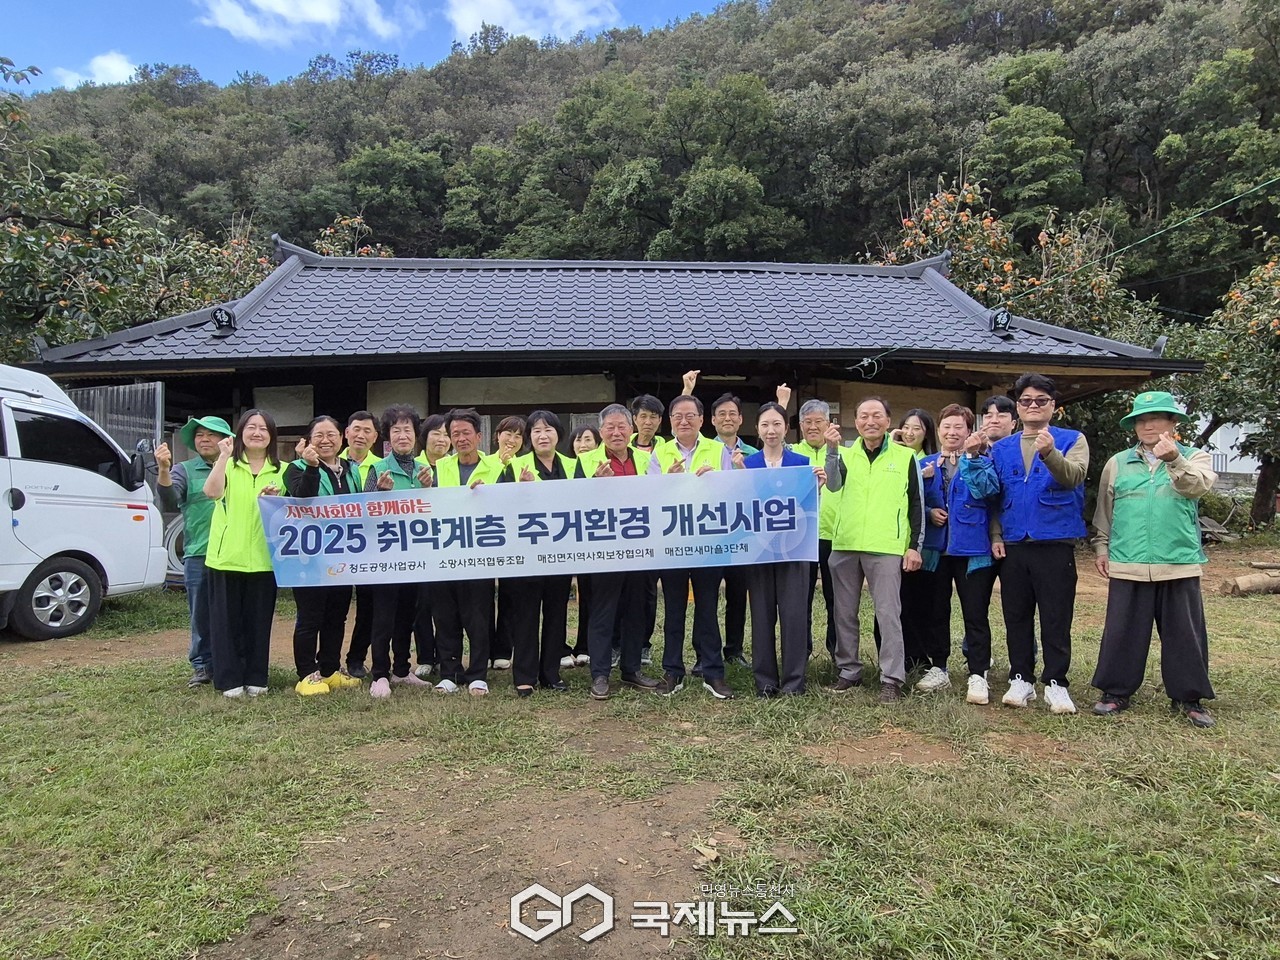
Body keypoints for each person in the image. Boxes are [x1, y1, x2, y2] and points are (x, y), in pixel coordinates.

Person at [961, 372, 1089, 715]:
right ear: (1018, 408)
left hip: (1054, 540)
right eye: (1027, 401)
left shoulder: (1071, 439)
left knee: (1056, 616)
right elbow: (995, 496)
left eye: (1041, 401)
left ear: (1053, 407)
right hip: (1014, 542)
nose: (1033, 406)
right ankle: (1021, 678)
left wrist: (1050, 454)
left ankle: (1057, 683)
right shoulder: (1001, 448)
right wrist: (996, 535)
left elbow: (1073, 476)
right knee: (1015, 614)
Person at [1091, 391, 1217, 728]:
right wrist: (1102, 547)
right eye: (1142, 420)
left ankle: (1188, 698)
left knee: (1184, 634)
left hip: (1177, 561)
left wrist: (1174, 459)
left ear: (1173, 423)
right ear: (1134, 426)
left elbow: (1197, 489)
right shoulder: (1118, 462)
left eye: (1157, 418)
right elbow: (1106, 511)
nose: (1148, 425)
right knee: (1122, 631)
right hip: (1127, 561)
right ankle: (1115, 692)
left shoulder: (1196, 457)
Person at [824, 397, 925, 703]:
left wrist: (913, 546)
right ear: (855, 423)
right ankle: (848, 671)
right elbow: (832, 485)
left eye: (876, 416)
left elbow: (917, 504)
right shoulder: (844, 453)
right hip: (845, 543)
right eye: (864, 416)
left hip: (885, 547)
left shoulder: (906, 457)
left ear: (887, 420)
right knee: (843, 613)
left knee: (888, 613)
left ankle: (891, 678)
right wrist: (830, 450)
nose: (870, 421)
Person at [648, 394, 736, 700]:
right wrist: (666, 483)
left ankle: (712, 671)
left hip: (708, 543)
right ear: (670, 422)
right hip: (672, 544)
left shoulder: (718, 449)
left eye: (689, 416)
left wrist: (716, 481)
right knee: (674, 609)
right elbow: (650, 499)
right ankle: (673, 671)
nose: (683, 421)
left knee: (708, 607)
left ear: (701, 420)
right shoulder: (660, 453)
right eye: (677, 417)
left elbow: (731, 492)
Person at [574, 404, 662, 699]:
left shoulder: (645, 458)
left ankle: (632, 668)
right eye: (609, 427)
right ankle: (600, 674)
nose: (616, 432)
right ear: (601, 432)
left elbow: (657, 496)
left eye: (621, 427)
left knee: (636, 608)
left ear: (632, 429)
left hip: (639, 546)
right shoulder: (586, 461)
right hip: (604, 549)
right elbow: (570, 503)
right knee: (603, 611)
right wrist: (594, 486)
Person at [916, 405, 999, 704]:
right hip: (936, 550)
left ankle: (978, 673)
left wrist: (974, 458)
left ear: (969, 431)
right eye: (946, 427)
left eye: (958, 428)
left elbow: (989, 492)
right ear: (938, 430)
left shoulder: (983, 460)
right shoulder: (925, 463)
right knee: (936, 611)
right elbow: (911, 503)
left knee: (975, 613)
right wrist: (928, 510)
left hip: (973, 549)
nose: (952, 433)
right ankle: (938, 666)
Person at [203, 409, 285, 698]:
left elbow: (290, 512)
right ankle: (229, 680)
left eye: (264, 428)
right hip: (226, 557)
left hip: (264, 559)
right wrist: (223, 456)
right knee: (226, 623)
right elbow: (211, 493)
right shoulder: (227, 464)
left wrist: (276, 501)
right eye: (251, 427)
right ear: (240, 433)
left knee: (258, 622)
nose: (257, 433)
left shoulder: (282, 470)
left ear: (271, 436)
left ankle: (256, 676)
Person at [743, 402, 823, 697]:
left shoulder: (801, 463)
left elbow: (809, 507)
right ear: (758, 430)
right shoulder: (747, 465)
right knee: (761, 616)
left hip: (795, 550)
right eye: (765, 424)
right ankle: (764, 681)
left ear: (785, 428)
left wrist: (818, 488)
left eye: (776, 424)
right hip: (759, 551)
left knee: (794, 615)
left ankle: (794, 682)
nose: (771, 430)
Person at [283, 416, 364, 696]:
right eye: (319, 435)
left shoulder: (351, 470)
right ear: (308, 440)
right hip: (308, 557)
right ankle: (306, 674)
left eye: (331, 434)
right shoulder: (294, 468)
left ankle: (329, 670)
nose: (326, 440)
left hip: (343, 557)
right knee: (309, 618)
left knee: (336, 616)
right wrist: (311, 466)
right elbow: (302, 497)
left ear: (341, 438)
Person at [499, 410, 577, 696]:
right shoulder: (514, 467)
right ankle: (525, 675)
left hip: (561, 551)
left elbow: (582, 502)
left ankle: (551, 673)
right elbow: (500, 507)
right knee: (526, 615)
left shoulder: (572, 464)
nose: (542, 436)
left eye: (548, 430)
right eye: (536, 431)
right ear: (529, 437)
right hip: (527, 554)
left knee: (557, 614)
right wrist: (521, 491)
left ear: (558, 434)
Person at [155, 415, 235, 688]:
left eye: (211, 434)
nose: (204, 439)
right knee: (200, 613)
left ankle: (232, 661)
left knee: (233, 612)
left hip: (234, 552)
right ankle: (202, 666)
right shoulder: (184, 470)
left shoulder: (238, 468)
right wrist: (164, 470)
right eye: (199, 435)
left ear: (226, 440)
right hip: (199, 553)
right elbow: (168, 501)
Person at [362, 404, 435, 699]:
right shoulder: (377, 469)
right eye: (396, 430)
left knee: (408, 614)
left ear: (416, 435)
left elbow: (437, 512)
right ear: (388, 437)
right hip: (384, 555)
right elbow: (363, 512)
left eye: (408, 429)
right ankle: (380, 673)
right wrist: (379, 493)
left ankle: (403, 670)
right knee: (383, 616)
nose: (403, 435)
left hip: (415, 556)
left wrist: (430, 489)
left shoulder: (425, 470)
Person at [430, 408, 505, 695]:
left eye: (466, 433)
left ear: (479, 436)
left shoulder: (497, 467)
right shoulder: (440, 468)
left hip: (479, 556)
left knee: (478, 617)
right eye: (455, 434)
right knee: (445, 616)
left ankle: (478, 674)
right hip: (445, 555)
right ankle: (449, 673)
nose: (461, 439)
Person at [787, 395, 844, 658]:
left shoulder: (844, 453)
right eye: (807, 422)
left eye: (818, 421)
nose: (812, 427)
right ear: (800, 424)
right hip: (801, 536)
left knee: (837, 599)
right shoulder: (791, 453)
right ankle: (803, 650)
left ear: (828, 423)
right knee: (801, 599)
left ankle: (836, 650)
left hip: (836, 535)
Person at [884, 408, 938, 673]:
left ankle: (918, 656)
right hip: (891, 543)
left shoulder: (932, 462)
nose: (909, 432)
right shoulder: (893, 455)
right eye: (905, 427)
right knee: (895, 603)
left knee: (919, 603)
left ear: (927, 432)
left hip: (921, 544)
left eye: (916, 428)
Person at [409, 413, 452, 679]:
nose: (442, 439)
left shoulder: (454, 466)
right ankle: (426, 656)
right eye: (436, 433)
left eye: (446, 435)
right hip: (420, 546)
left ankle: (447, 655)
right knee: (421, 605)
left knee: (446, 605)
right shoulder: (412, 466)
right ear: (424, 438)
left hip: (449, 544)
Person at [340, 411, 380, 678]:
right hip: (336, 548)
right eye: (356, 429)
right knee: (336, 608)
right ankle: (327, 661)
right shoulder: (328, 461)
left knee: (368, 607)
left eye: (367, 431)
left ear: (375, 437)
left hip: (373, 547)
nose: (361, 435)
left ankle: (356, 659)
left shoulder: (383, 466)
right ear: (346, 433)